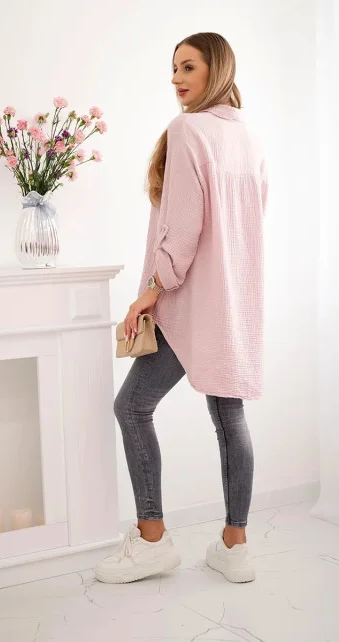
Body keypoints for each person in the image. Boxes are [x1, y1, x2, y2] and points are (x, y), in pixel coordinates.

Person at [94, 32, 268, 585]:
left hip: (189, 300)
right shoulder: (249, 138)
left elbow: (185, 226)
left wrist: (151, 289)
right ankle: (235, 547)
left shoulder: (188, 130)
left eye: (188, 67)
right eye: (173, 68)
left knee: (132, 407)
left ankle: (152, 540)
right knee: (229, 417)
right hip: (234, 303)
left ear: (217, 68)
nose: (176, 78)